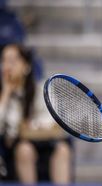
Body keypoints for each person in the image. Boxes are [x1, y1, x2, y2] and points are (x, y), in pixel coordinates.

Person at [0, 44, 72, 184]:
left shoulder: (42, 90)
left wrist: (28, 128)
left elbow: (52, 124)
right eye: (3, 61)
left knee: (63, 150)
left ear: (26, 66)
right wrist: (6, 93)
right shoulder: (3, 95)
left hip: (46, 144)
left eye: (12, 61)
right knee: (25, 150)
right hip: (15, 150)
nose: (7, 67)